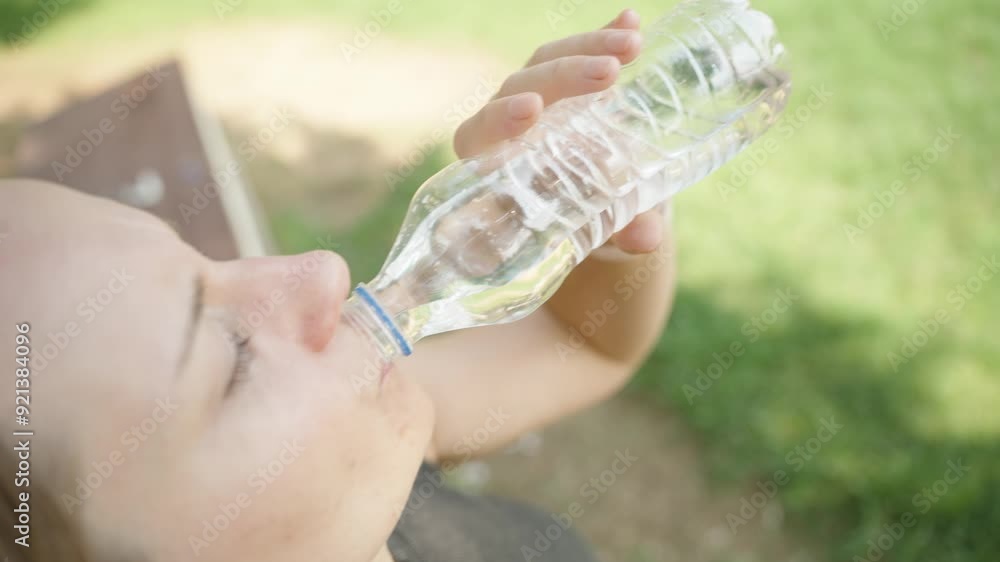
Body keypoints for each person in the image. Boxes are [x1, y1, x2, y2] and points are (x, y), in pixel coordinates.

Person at [0, 9, 675, 561]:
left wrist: (595, 227)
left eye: (202, 261)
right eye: (235, 360)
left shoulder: (366, 459)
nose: (321, 270)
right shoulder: (348, 455)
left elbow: (581, 344)